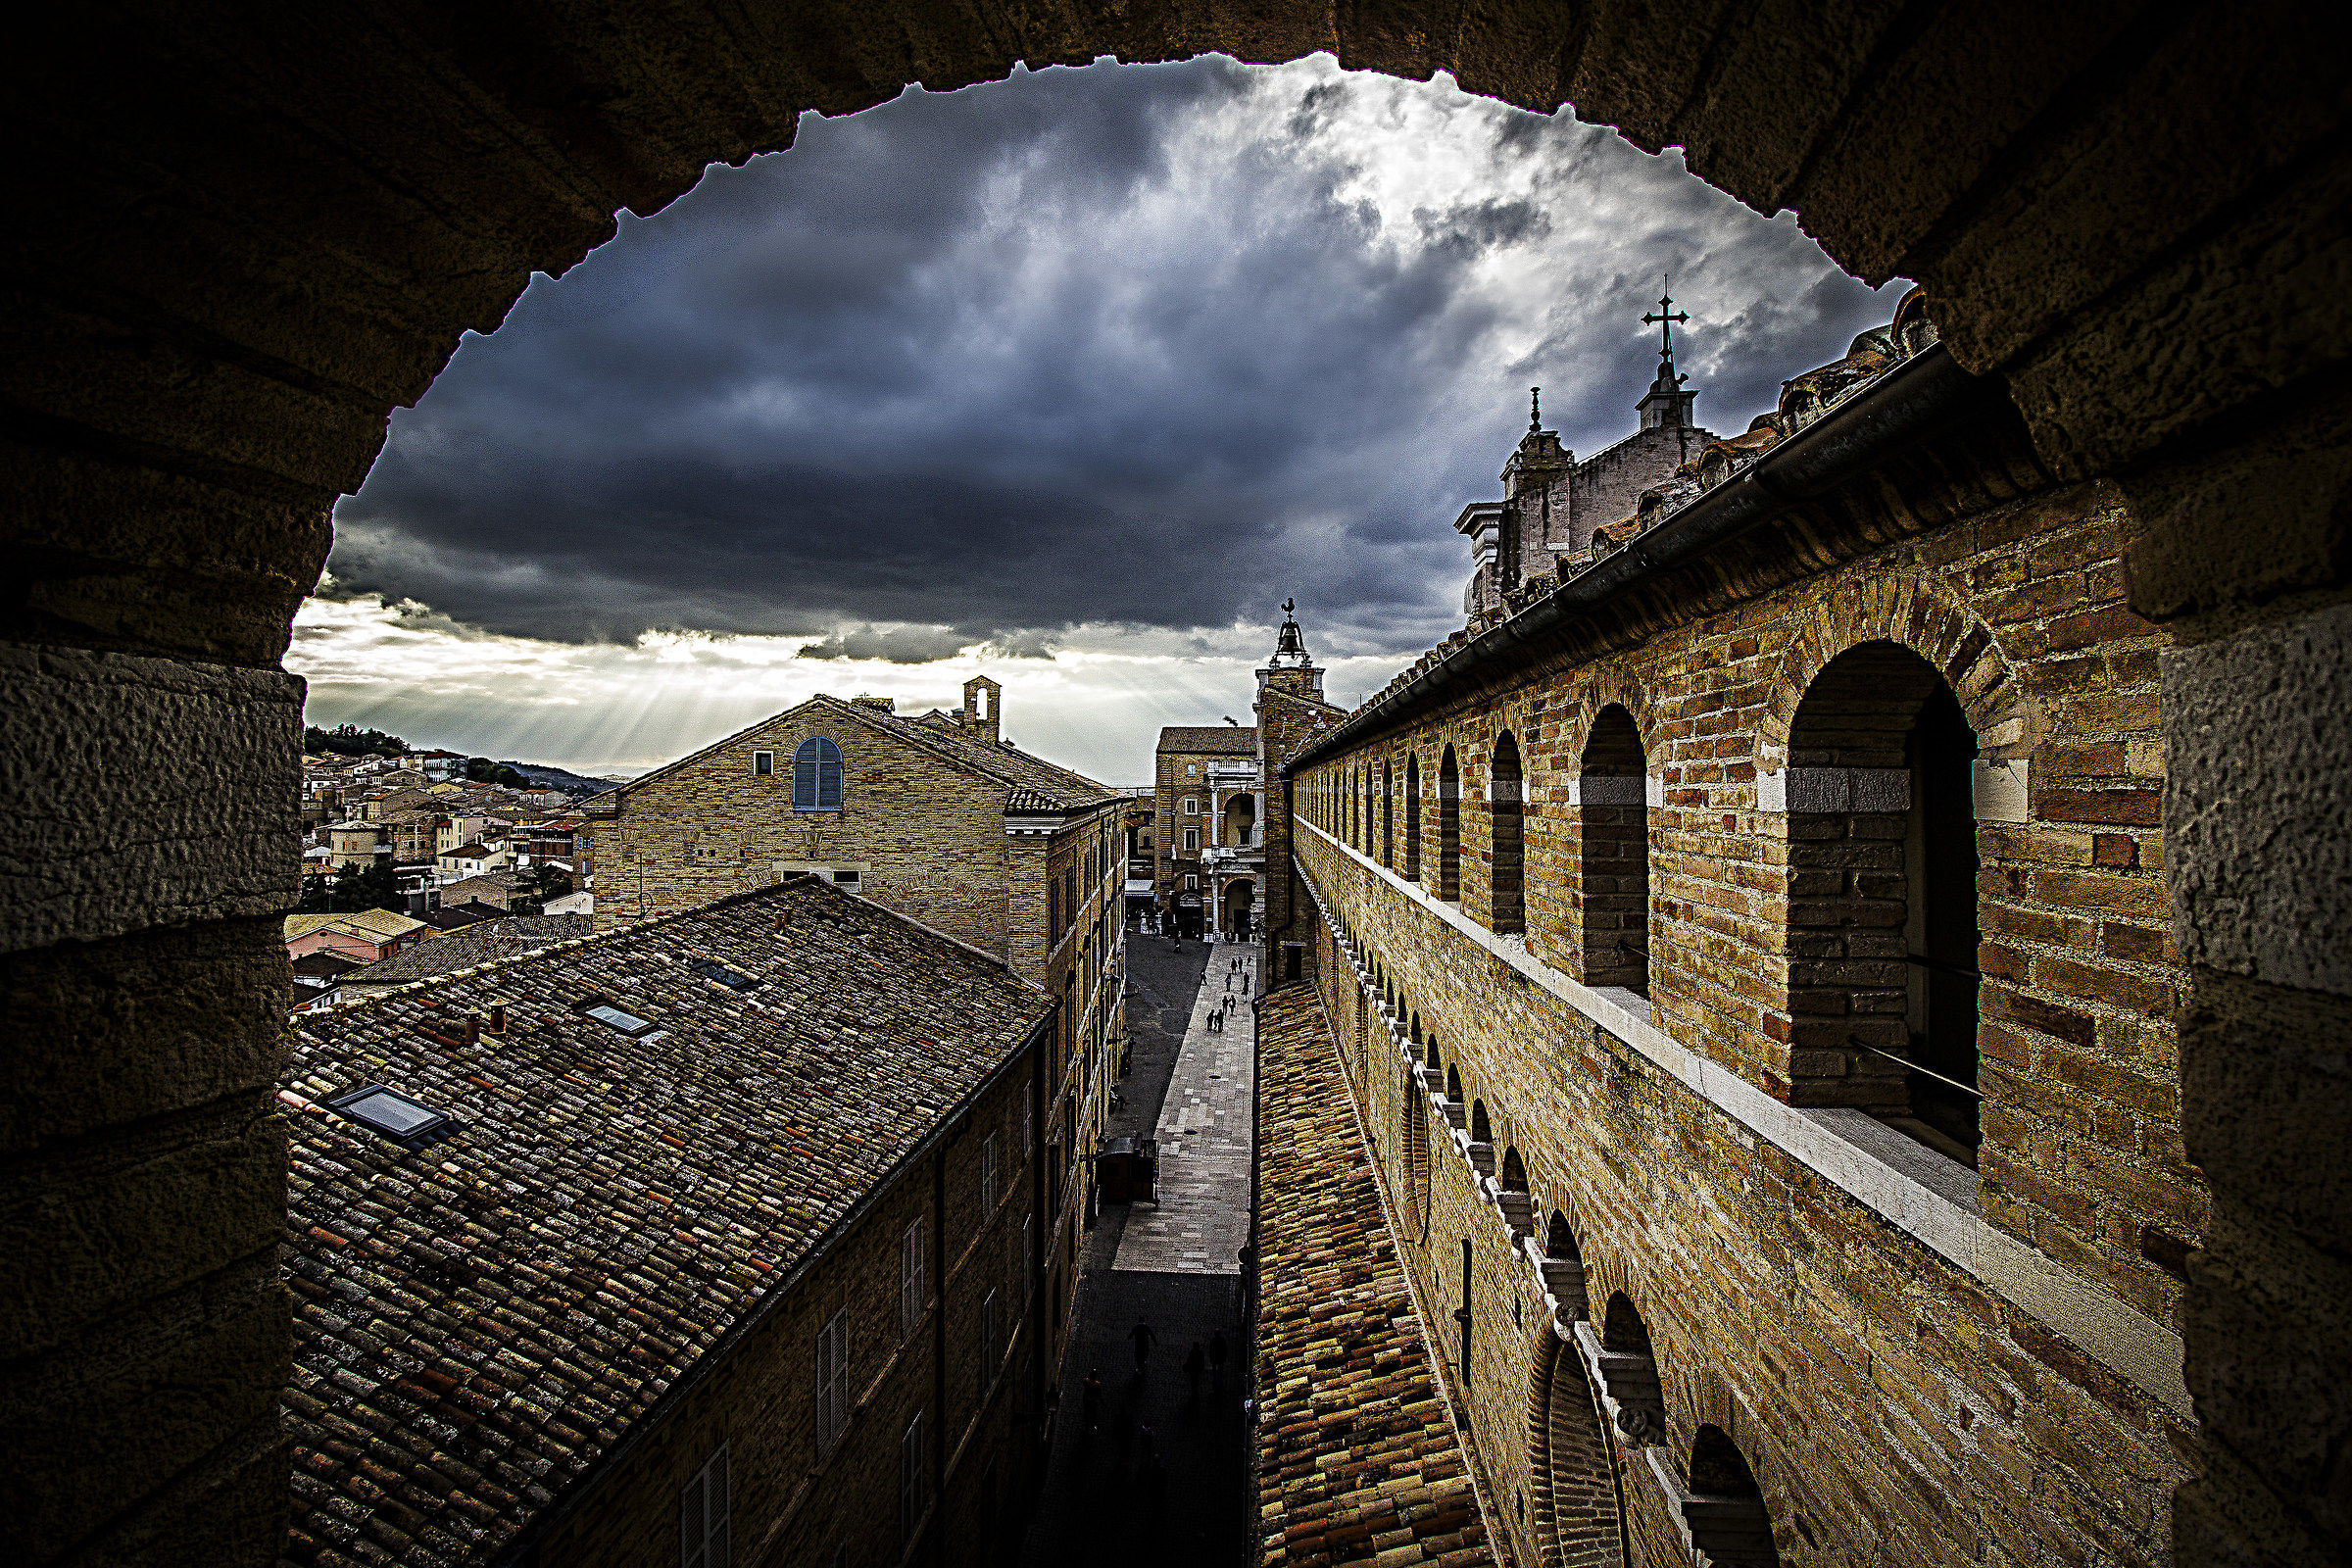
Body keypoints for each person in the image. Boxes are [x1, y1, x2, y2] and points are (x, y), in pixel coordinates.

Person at [1083, 1368, 1103, 1433]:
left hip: (1087, 1399)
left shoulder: (1086, 1381)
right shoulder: (1097, 1384)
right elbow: (1099, 1394)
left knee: (1086, 1412)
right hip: (1093, 1401)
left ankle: (1086, 1425)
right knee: (1093, 1413)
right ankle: (1093, 1426)